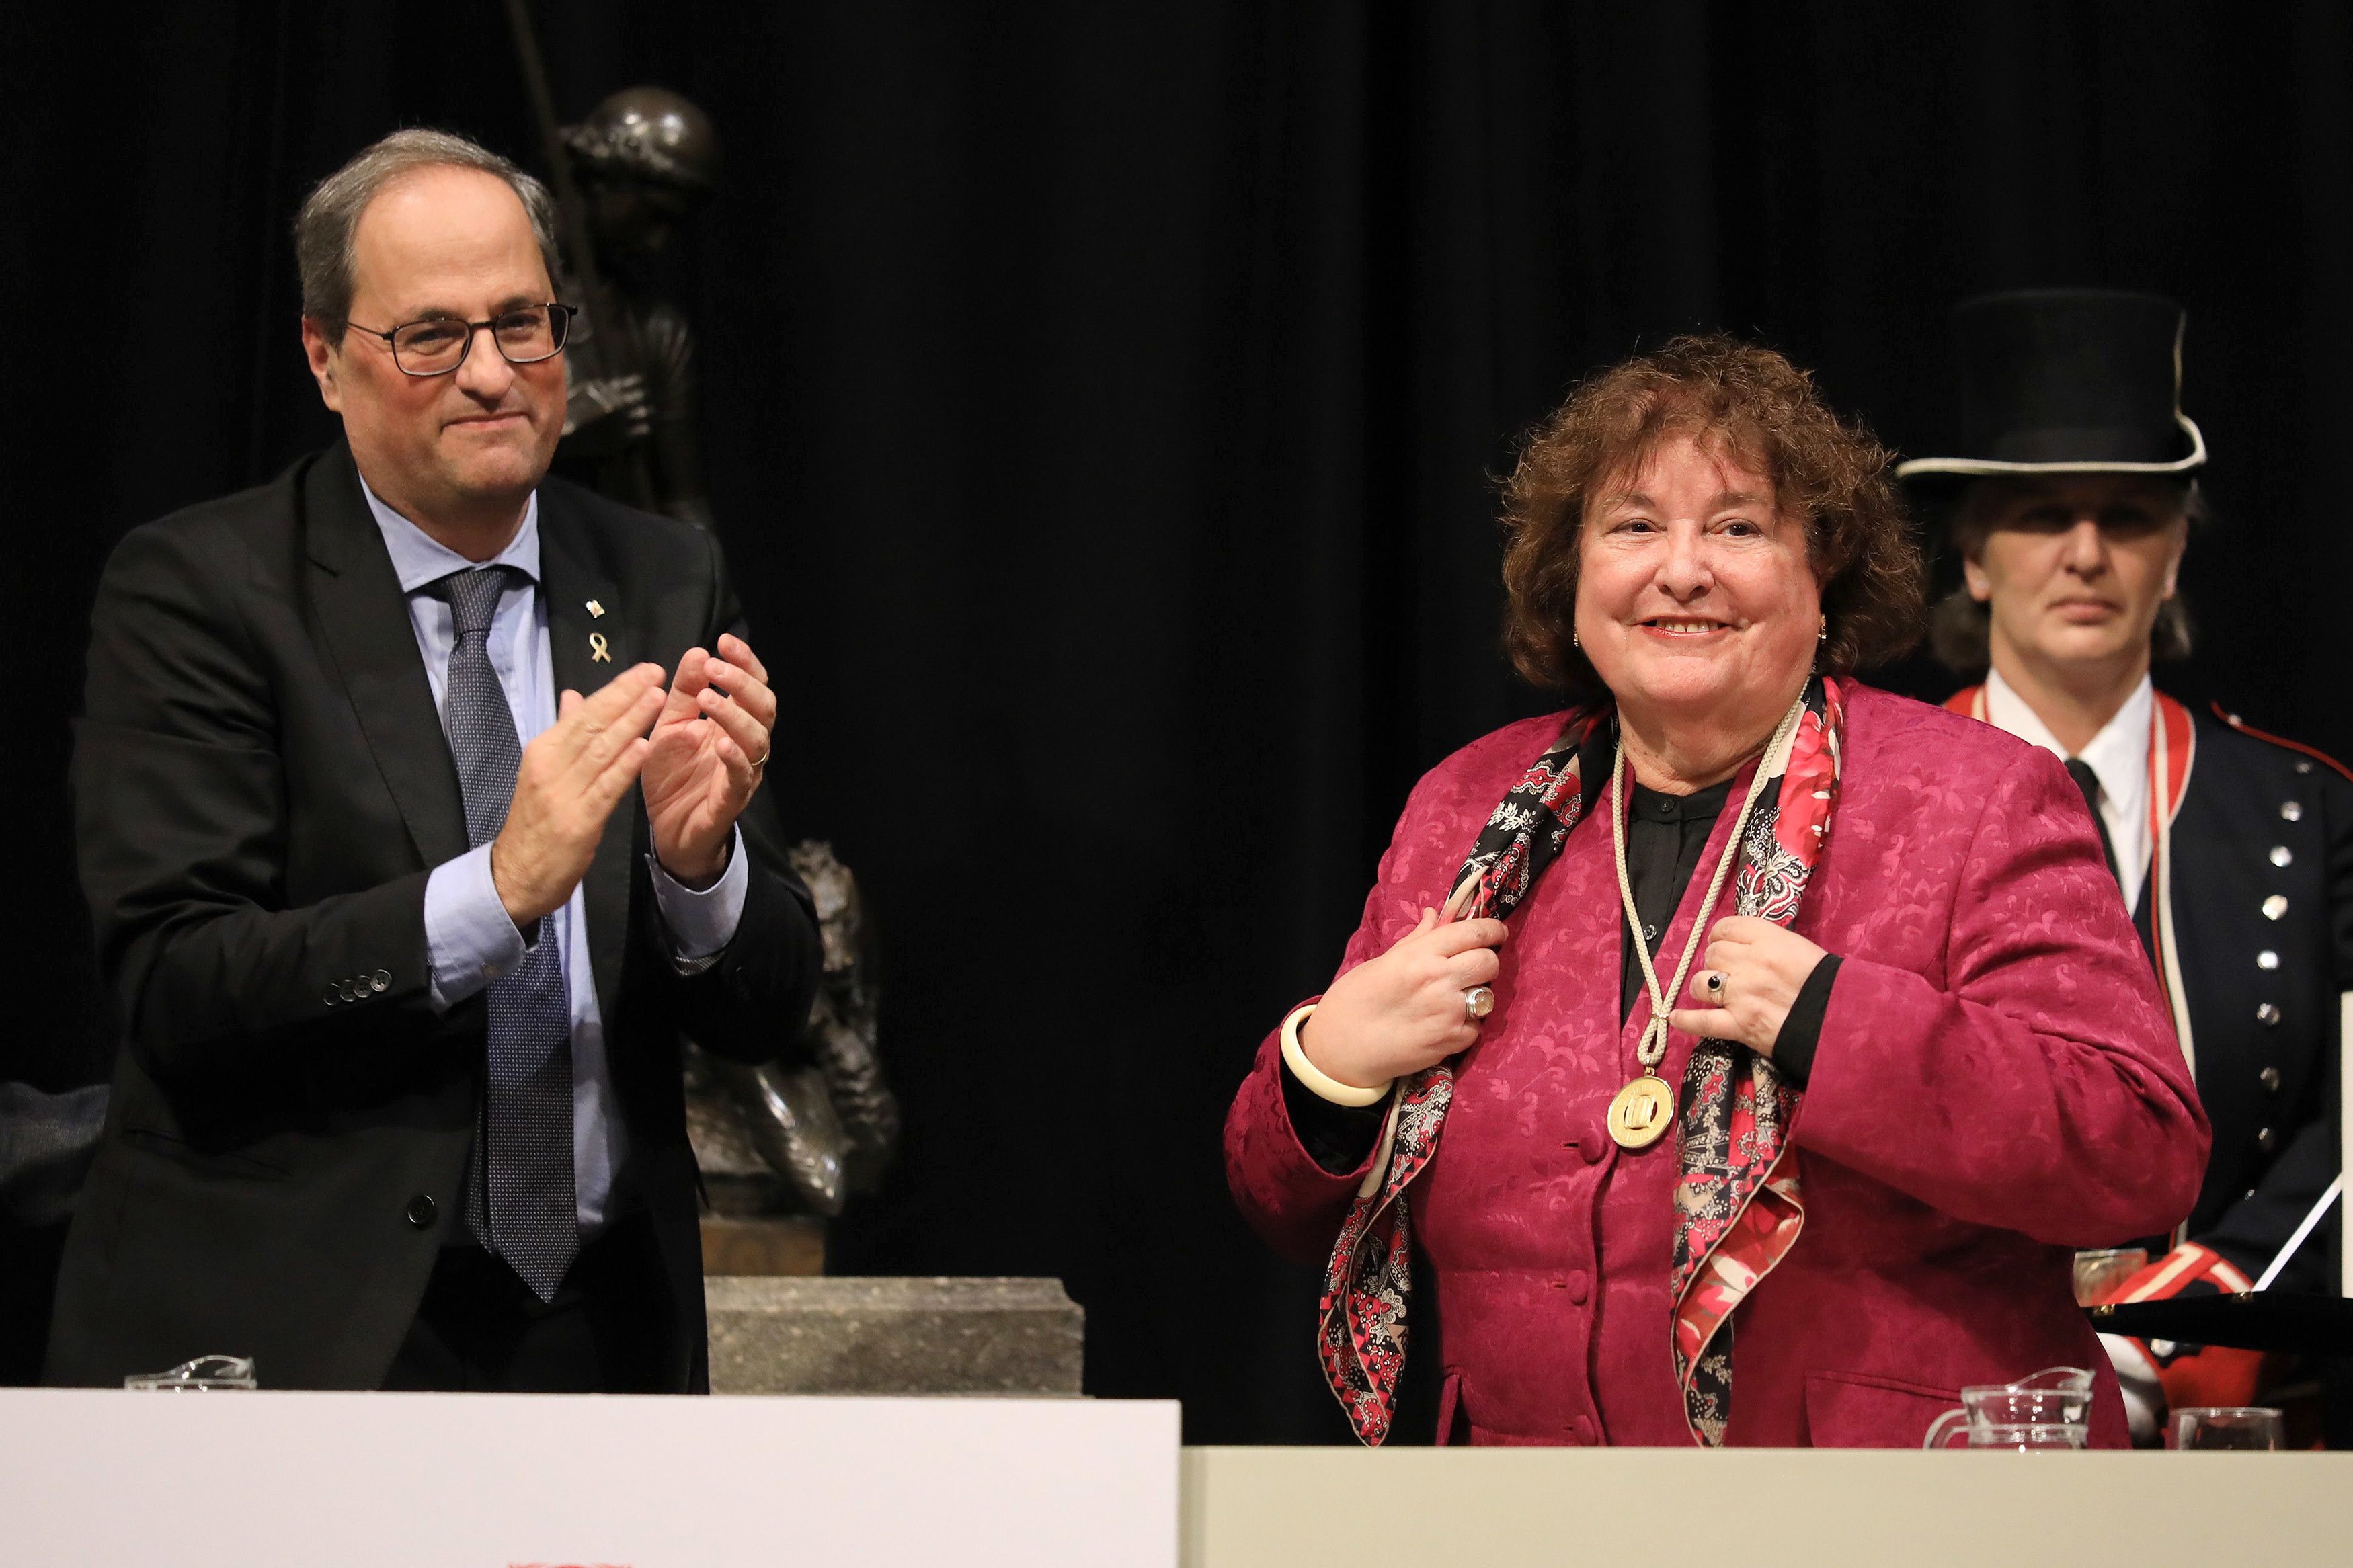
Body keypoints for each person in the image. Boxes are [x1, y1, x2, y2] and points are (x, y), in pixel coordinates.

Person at [1224, 335, 2208, 1448]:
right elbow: (1278, 1199)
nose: (1680, 569)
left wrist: (1838, 1021)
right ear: (1575, 571)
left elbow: (2139, 1154)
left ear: (1820, 571)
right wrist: (1330, 1063)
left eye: (1738, 527)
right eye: (1634, 526)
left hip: (1883, 1518)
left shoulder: (1975, 795)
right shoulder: (1468, 808)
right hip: (1523, 1514)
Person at [46, 128, 822, 1393]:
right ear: (323, 358)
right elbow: (178, 982)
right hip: (304, 1327)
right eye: (431, 336)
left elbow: (773, 1001)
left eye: (524, 324)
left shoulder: (660, 576)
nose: (491, 375)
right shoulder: (201, 589)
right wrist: (498, 890)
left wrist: (699, 868)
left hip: (596, 1334)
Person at [1904, 288, 2352, 1430]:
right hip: (1947, 1415)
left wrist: (2210, 1306)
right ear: (1975, 557)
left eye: (2130, 517)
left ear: (2177, 551)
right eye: (2045, 515)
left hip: (2246, 1418)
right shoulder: (1868, 803)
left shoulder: (2306, 806)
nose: (2088, 551)